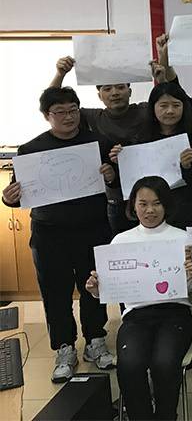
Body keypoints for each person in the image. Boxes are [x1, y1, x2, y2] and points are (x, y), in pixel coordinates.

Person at [2, 87, 115, 381]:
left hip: (93, 228)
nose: (68, 116)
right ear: (46, 116)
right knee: (55, 292)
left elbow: (118, 182)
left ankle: (95, 340)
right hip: (49, 233)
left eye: (73, 110)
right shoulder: (30, 150)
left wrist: (111, 175)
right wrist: (9, 198)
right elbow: (17, 194)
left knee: (95, 288)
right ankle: (64, 347)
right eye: (60, 112)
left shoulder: (98, 143)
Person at [86, 176, 192, 421]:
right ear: (133, 206)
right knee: (130, 365)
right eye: (143, 204)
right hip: (136, 316)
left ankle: (166, 416)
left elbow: (191, 288)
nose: (150, 210)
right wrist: (95, 289)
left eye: (157, 203)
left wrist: (190, 276)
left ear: (166, 205)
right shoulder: (121, 241)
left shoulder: (183, 238)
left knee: (164, 363)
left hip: (175, 313)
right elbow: (109, 290)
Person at [49, 56, 154, 234]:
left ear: (130, 91)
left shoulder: (146, 111)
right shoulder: (91, 117)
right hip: (114, 198)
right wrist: (60, 74)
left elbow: (172, 99)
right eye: (107, 88)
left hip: (150, 196)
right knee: (116, 243)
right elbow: (52, 104)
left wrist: (162, 75)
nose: (115, 92)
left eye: (120, 87)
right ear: (99, 95)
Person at [110, 82, 192, 229]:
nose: (170, 111)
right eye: (163, 106)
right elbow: (132, 185)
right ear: (153, 107)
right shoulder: (139, 139)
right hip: (152, 215)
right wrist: (121, 162)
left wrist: (187, 168)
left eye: (176, 105)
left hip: (189, 213)